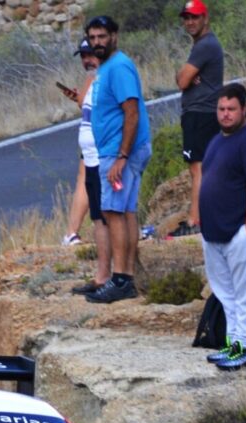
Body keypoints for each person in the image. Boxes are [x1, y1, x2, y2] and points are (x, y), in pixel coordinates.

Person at [199, 83, 246, 371]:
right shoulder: (217, 141)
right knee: (225, 292)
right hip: (215, 232)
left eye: (231, 109)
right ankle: (233, 342)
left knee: (245, 290)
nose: (226, 114)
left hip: (241, 231)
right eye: (221, 109)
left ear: (245, 109)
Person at [83, 15, 152, 304]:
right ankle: (126, 277)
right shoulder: (107, 66)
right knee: (125, 211)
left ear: (114, 36)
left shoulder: (119, 66)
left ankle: (121, 279)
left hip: (119, 151)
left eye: (102, 36)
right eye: (92, 37)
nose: (97, 42)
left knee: (113, 212)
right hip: (116, 149)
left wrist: (122, 156)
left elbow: (131, 111)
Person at [59, 38, 114, 296]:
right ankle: (72, 233)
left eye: (89, 55)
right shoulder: (93, 76)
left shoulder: (104, 75)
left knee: (95, 191)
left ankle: (73, 233)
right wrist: (77, 98)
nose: (85, 60)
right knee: (85, 183)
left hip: (101, 143)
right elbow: (86, 103)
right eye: (82, 56)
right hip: (91, 142)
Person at [170, 0, 223, 238]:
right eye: (187, 18)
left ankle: (196, 220)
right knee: (204, 166)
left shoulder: (205, 46)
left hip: (200, 113)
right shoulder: (202, 46)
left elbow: (182, 81)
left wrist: (186, 75)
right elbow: (183, 78)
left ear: (205, 18)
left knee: (197, 167)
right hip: (203, 113)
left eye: (195, 17)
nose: (190, 22)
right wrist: (187, 75)